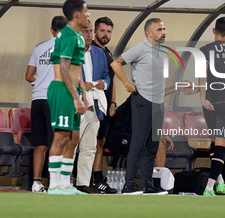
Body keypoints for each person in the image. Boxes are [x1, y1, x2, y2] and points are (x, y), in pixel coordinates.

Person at [111, 18, 178, 195]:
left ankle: (147, 185)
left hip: (158, 103)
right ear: (148, 33)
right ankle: (129, 185)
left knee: (153, 146)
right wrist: (127, 84)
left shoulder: (163, 51)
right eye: (159, 30)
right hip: (142, 100)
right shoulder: (140, 48)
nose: (163, 32)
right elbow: (115, 63)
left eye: (163, 29)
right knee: (138, 144)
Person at [47, 0, 89, 195]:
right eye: (86, 12)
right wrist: (74, 96)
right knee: (61, 136)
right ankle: (53, 185)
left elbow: (76, 69)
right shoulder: (67, 36)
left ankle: (66, 184)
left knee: (73, 138)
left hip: (74, 91)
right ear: (77, 14)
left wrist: (84, 94)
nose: (88, 16)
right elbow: (64, 69)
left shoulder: (78, 36)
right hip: (63, 90)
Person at [198, 17, 225, 196]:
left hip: (211, 100)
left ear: (213, 31)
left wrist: (202, 97)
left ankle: (220, 182)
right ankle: (209, 188)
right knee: (221, 144)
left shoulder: (204, 50)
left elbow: (203, 74)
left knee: (216, 142)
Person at [25, 15, 68, 193]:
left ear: (52, 29)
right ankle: (55, 183)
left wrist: (40, 82)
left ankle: (36, 183)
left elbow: (28, 76)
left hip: (37, 100)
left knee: (40, 144)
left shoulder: (39, 48)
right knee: (57, 143)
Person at [73, 21, 111, 193]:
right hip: (77, 105)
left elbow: (106, 75)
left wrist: (104, 83)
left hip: (95, 105)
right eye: (85, 31)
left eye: (89, 31)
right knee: (72, 145)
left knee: (89, 147)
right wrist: (82, 85)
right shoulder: (70, 52)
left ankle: (83, 183)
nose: (88, 35)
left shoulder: (99, 52)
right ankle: (64, 183)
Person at [91, 17, 118, 194]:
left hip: (105, 105)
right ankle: (89, 179)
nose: (105, 34)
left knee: (100, 142)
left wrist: (113, 103)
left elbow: (113, 80)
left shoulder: (108, 53)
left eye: (108, 31)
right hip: (91, 104)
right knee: (89, 144)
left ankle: (98, 180)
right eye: (102, 31)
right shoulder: (90, 50)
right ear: (95, 31)